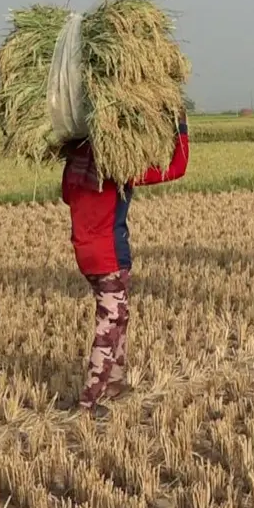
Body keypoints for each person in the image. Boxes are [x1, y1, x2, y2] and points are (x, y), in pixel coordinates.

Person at [61, 112, 189, 415]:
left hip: (85, 253)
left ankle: (115, 382)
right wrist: (179, 127)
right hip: (109, 256)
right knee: (111, 321)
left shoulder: (75, 165)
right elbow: (176, 168)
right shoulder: (117, 166)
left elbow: (68, 196)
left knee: (120, 315)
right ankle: (89, 401)